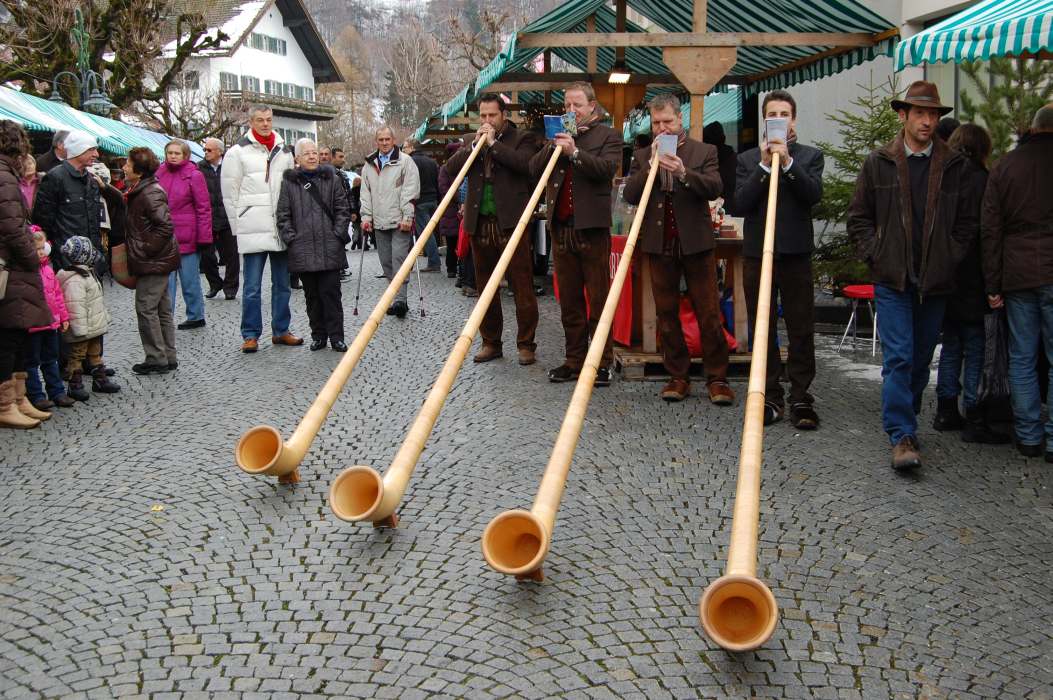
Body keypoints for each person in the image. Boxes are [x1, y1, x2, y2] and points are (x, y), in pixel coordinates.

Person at [847, 81, 976, 470]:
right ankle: (901, 433)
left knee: (920, 360)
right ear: (903, 115)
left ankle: (907, 416)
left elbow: (967, 223)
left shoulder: (954, 165)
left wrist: (950, 256)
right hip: (893, 278)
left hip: (935, 278)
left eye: (933, 114)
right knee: (900, 357)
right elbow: (859, 218)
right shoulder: (879, 162)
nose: (927, 121)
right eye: (920, 113)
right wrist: (876, 255)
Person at [623, 93, 733, 405]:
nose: (662, 128)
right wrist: (650, 166)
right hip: (660, 243)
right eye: (656, 123)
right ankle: (678, 375)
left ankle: (717, 377)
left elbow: (715, 187)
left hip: (696, 242)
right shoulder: (642, 155)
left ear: (680, 119)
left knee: (708, 311)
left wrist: (684, 172)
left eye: (667, 122)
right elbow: (630, 195)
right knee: (666, 313)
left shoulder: (704, 151)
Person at [732, 89, 825, 429]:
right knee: (763, 328)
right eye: (772, 114)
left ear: (793, 120)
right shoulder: (746, 160)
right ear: (764, 119)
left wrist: (787, 163)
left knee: (801, 327)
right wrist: (762, 165)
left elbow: (813, 195)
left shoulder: (810, 157)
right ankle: (769, 395)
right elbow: (740, 203)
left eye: (784, 114)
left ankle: (801, 396)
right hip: (758, 254)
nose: (779, 120)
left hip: (796, 254)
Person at [530, 81, 621, 385]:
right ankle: (574, 359)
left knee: (598, 300)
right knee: (569, 301)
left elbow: (607, 169)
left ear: (592, 106)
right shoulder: (558, 136)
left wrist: (576, 152)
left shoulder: (608, 135)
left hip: (592, 229)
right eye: (567, 105)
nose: (571, 110)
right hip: (561, 228)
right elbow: (533, 170)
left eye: (577, 105)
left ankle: (602, 362)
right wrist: (553, 147)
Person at [445, 94, 541, 365]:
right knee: (485, 287)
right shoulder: (472, 140)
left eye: (492, 115)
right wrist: (474, 146)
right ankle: (491, 342)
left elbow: (526, 165)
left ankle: (526, 344)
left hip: (511, 222)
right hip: (480, 222)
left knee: (522, 285)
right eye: (483, 116)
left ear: (503, 115)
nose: (487, 120)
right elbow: (450, 169)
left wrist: (493, 145)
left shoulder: (522, 138)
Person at [982, 103, 1053, 459]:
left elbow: (990, 230)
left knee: (1022, 357)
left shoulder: (1005, 166)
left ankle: (1028, 436)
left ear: (1033, 128)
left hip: (1017, 272)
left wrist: (993, 284)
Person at [933, 124, 1006, 444]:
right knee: (976, 348)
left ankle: (946, 409)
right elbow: (988, 235)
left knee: (951, 345)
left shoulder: (944, 177)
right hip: (975, 277)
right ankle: (974, 415)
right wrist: (994, 283)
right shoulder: (984, 181)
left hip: (947, 277)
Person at [221, 104, 303, 353]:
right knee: (252, 287)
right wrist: (238, 228)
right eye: (260, 120)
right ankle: (250, 334)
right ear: (251, 122)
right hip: (252, 225)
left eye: (268, 119)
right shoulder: (237, 152)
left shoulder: (284, 150)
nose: (265, 124)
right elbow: (229, 193)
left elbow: (291, 189)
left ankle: (281, 330)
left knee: (282, 284)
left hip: (279, 226)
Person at [0, 120, 54, 429]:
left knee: (18, 332)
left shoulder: (7, 174)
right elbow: (11, 226)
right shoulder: (4, 176)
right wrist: (32, 257)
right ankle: (6, 403)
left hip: (14, 265)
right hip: (12, 266)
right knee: (10, 335)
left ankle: (19, 399)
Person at [277, 139, 352, 352]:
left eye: (314, 152)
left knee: (331, 295)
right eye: (307, 153)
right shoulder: (289, 183)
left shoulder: (332, 179)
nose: (312, 156)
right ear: (297, 158)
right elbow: (283, 216)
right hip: (303, 249)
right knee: (312, 297)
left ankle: (337, 337)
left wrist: (337, 235)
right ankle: (318, 335)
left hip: (330, 247)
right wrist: (292, 239)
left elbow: (342, 210)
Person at [123, 147, 181, 375]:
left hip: (154, 261)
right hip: (158, 259)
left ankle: (156, 358)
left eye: (128, 164)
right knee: (161, 308)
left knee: (147, 308)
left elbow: (165, 226)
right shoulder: (143, 189)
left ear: (139, 170)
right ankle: (167, 356)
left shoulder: (149, 192)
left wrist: (147, 249)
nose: (124, 167)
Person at [360, 126, 420, 319]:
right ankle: (395, 298)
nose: (385, 143)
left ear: (394, 140)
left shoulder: (406, 161)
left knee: (399, 260)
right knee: (386, 262)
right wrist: (366, 217)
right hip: (379, 222)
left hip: (400, 221)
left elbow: (410, 190)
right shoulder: (369, 165)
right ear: (376, 141)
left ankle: (400, 300)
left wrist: (408, 216)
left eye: (388, 139)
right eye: (381, 139)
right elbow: (365, 194)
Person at [157, 140, 211, 329]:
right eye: (170, 152)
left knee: (190, 280)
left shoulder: (194, 175)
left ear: (185, 155)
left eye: (177, 153)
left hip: (188, 235)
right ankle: (166, 317)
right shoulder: (159, 173)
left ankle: (196, 315)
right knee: (166, 282)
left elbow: (203, 207)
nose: (173, 156)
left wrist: (204, 237)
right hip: (164, 235)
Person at [56, 236, 119, 399]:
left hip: (93, 326)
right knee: (77, 356)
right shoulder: (75, 280)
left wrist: (103, 318)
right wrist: (80, 330)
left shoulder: (87, 273)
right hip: (83, 329)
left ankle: (100, 380)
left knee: (95, 354)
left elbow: (96, 301)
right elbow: (75, 307)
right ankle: (74, 384)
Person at [32, 130, 104, 271]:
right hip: (65, 262)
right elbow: (43, 221)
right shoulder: (55, 177)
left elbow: (94, 223)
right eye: (91, 149)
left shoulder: (91, 181)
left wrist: (98, 256)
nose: (96, 154)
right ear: (78, 149)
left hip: (90, 260)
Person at [25, 226, 75, 410]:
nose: (40, 252)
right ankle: (36, 395)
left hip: (50, 323)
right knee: (31, 362)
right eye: (36, 249)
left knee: (51, 359)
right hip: (33, 325)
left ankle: (57, 392)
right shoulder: (25, 272)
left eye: (42, 248)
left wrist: (63, 317)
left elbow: (57, 295)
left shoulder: (48, 270)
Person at [198, 138, 239, 300]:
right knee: (207, 256)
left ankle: (230, 287)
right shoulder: (199, 168)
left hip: (228, 217)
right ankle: (215, 283)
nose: (206, 152)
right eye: (205, 150)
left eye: (209, 150)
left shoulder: (230, 166)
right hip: (207, 218)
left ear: (220, 151)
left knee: (232, 256)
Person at [402, 139, 442, 272]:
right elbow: (437, 182)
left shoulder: (410, 161)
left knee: (425, 233)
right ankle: (410, 263)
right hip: (432, 199)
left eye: (405, 147)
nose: (403, 150)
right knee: (427, 232)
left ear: (412, 147)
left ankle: (434, 263)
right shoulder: (431, 162)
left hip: (420, 201)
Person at [437, 142, 462, 279]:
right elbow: (444, 188)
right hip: (451, 209)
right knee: (452, 241)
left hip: (456, 209)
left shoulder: (463, 165)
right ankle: (452, 268)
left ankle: (458, 269)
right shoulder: (446, 168)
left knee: (460, 240)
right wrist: (461, 198)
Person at [702, 121, 737, 214]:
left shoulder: (704, 164)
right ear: (724, 138)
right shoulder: (736, 160)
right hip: (733, 212)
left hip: (717, 212)